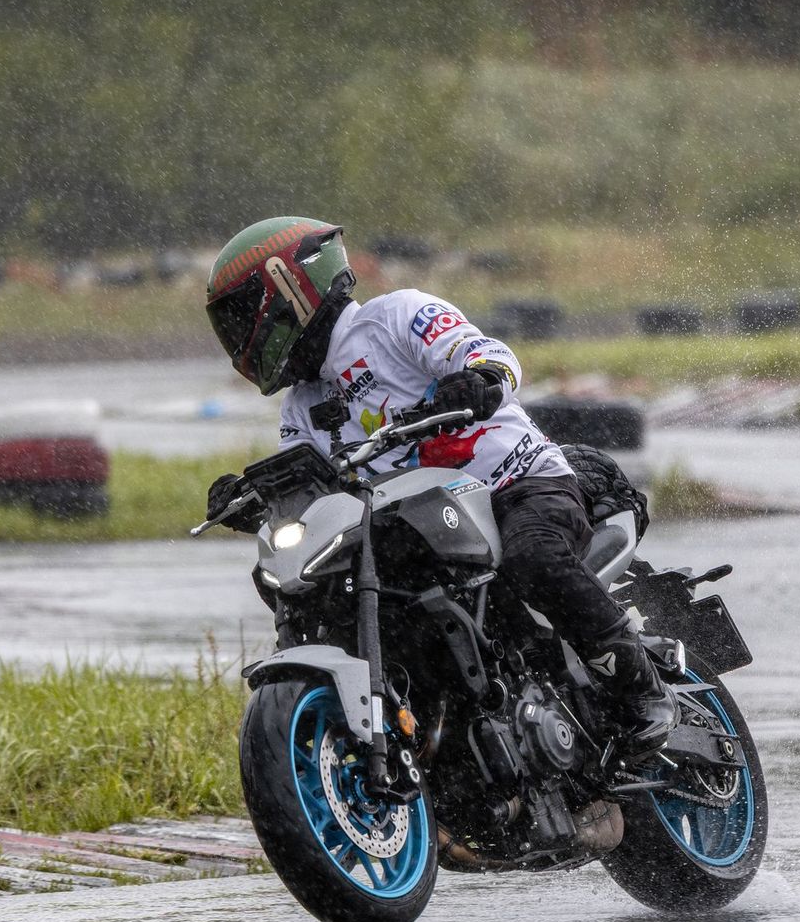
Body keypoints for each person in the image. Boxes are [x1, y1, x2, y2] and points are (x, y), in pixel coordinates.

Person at [200, 215, 675, 751]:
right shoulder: (300, 406)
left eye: (243, 316)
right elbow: (306, 487)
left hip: (514, 484)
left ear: (289, 289)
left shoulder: (395, 316)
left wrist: (480, 380)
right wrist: (256, 502)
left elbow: (489, 354)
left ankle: (642, 688)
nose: (240, 336)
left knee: (532, 556)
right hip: (418, 525)